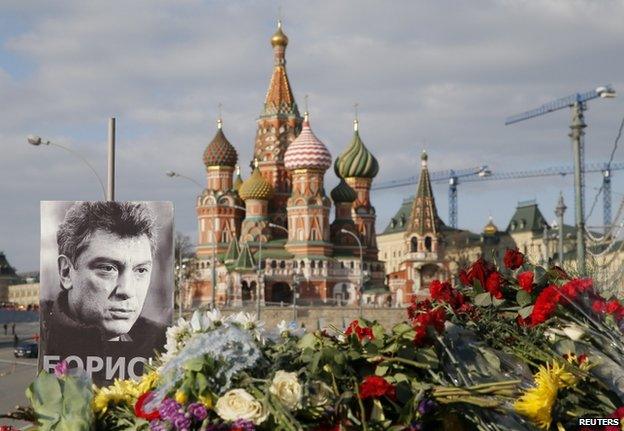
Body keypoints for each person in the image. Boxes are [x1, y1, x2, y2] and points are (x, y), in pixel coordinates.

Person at [41, 202, 167, 383]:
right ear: (66, 272)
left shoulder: (163, 341)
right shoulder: (43, 333)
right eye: (108, 268)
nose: (127, 291)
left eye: (140, 270)